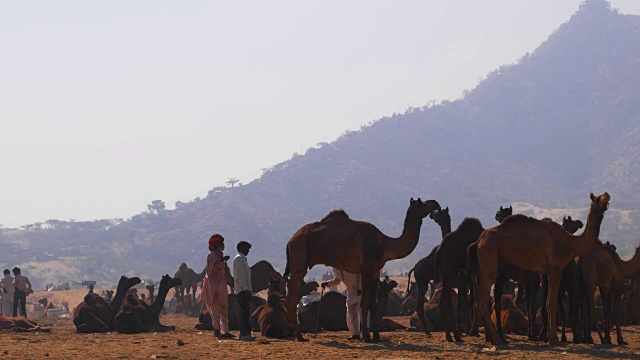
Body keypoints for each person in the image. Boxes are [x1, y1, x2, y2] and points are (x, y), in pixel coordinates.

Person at [200, 233, 234, 338]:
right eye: (221, 244)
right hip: (214, 287)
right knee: (215, 310)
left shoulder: (219, 256)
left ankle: (226, 331)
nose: (223, 245)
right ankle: (217, 330)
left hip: (221, 286)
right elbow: (212, 271)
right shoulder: (212, 256)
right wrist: (221, 262)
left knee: (224, 309)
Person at [321, 267, 362, 340]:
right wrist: (327, 283)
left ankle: (366, 331)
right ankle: (356, 333)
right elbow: (337, 280)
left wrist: (360, 287)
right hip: (351, 291)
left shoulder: (351, 261)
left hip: (360, 290)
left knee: (363, 312)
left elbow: (360, 274)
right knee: (351, 312)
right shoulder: (337, 267)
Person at [233, 240, 254, 341]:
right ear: (241, 248)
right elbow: (241, 276)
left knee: (245, 313)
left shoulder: (242, 259)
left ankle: (245, 334)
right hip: (242, 291)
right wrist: (245, 289)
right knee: (244, 313)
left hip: (244, 290)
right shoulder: (239, 259)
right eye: (247, 248)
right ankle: (245, 334)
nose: (248, 251)